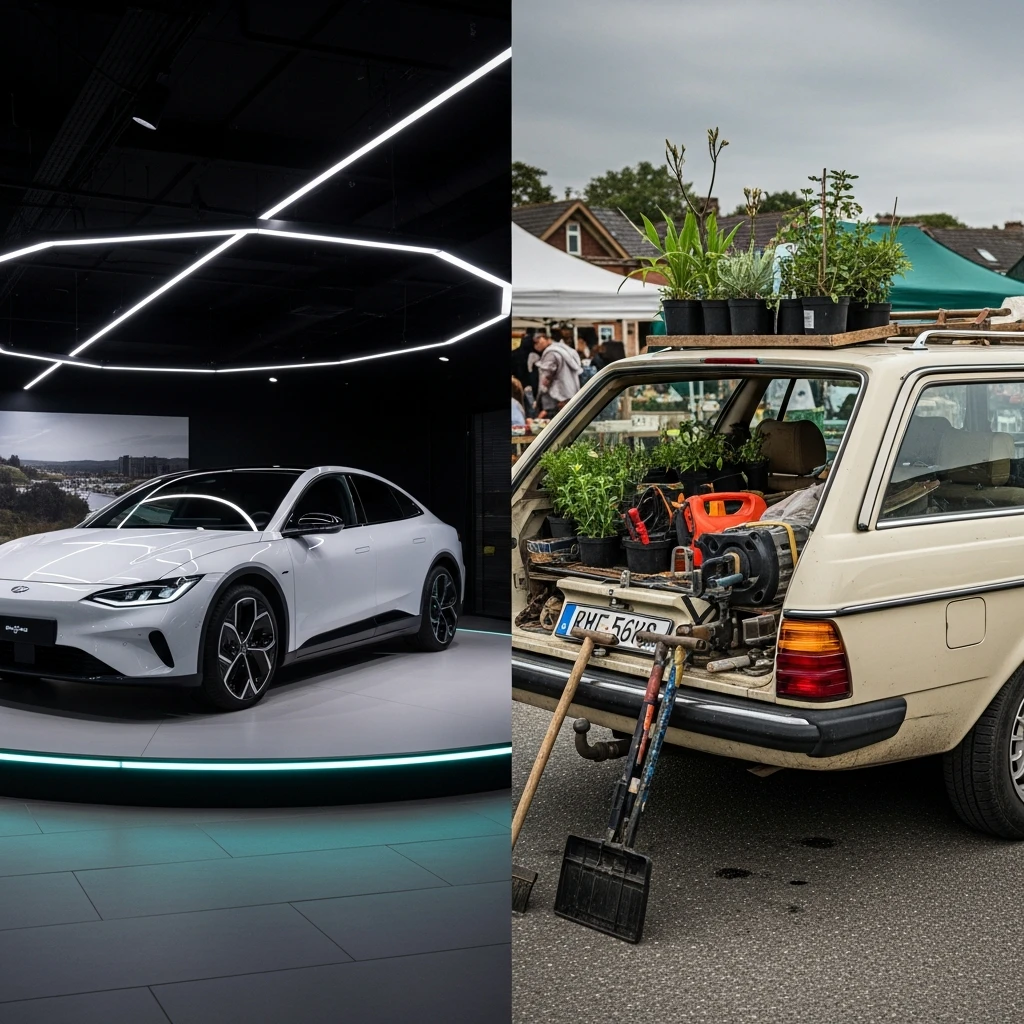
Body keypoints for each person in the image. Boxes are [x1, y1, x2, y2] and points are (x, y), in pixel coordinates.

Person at [533, 331, 582, 417]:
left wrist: (541, 393)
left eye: (538, 341)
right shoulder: (567, 350)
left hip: (556, 396)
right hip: (570, 392)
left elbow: (546, 375)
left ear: (546, 338)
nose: (537, 345)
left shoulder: (551, 353)